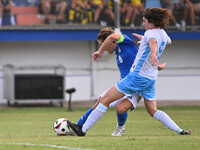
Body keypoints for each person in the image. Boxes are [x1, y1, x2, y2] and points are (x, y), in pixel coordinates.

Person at [67, 8, 191, 136]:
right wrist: (146, 41)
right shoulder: (163, 34)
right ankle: (180, 131)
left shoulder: (149, 34)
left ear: (151, 21)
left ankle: (82, 130)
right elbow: (165, 43)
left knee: (104, 101)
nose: (143, 24)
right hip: (150, 79)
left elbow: (153, 42)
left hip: (136, 78)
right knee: (153, 111)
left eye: (144, 21)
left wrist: (152, 51)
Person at [75, 27, 140, 136]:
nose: (103, 48)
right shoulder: (118, 53)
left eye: (102, 44)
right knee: (100, 101)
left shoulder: (125, 42)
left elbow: (112, 36)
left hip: (135, 86)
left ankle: (120, 127)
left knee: (120, 109)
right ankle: (78, 126)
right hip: (124, 84)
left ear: (110, 42)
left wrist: (100, 51)